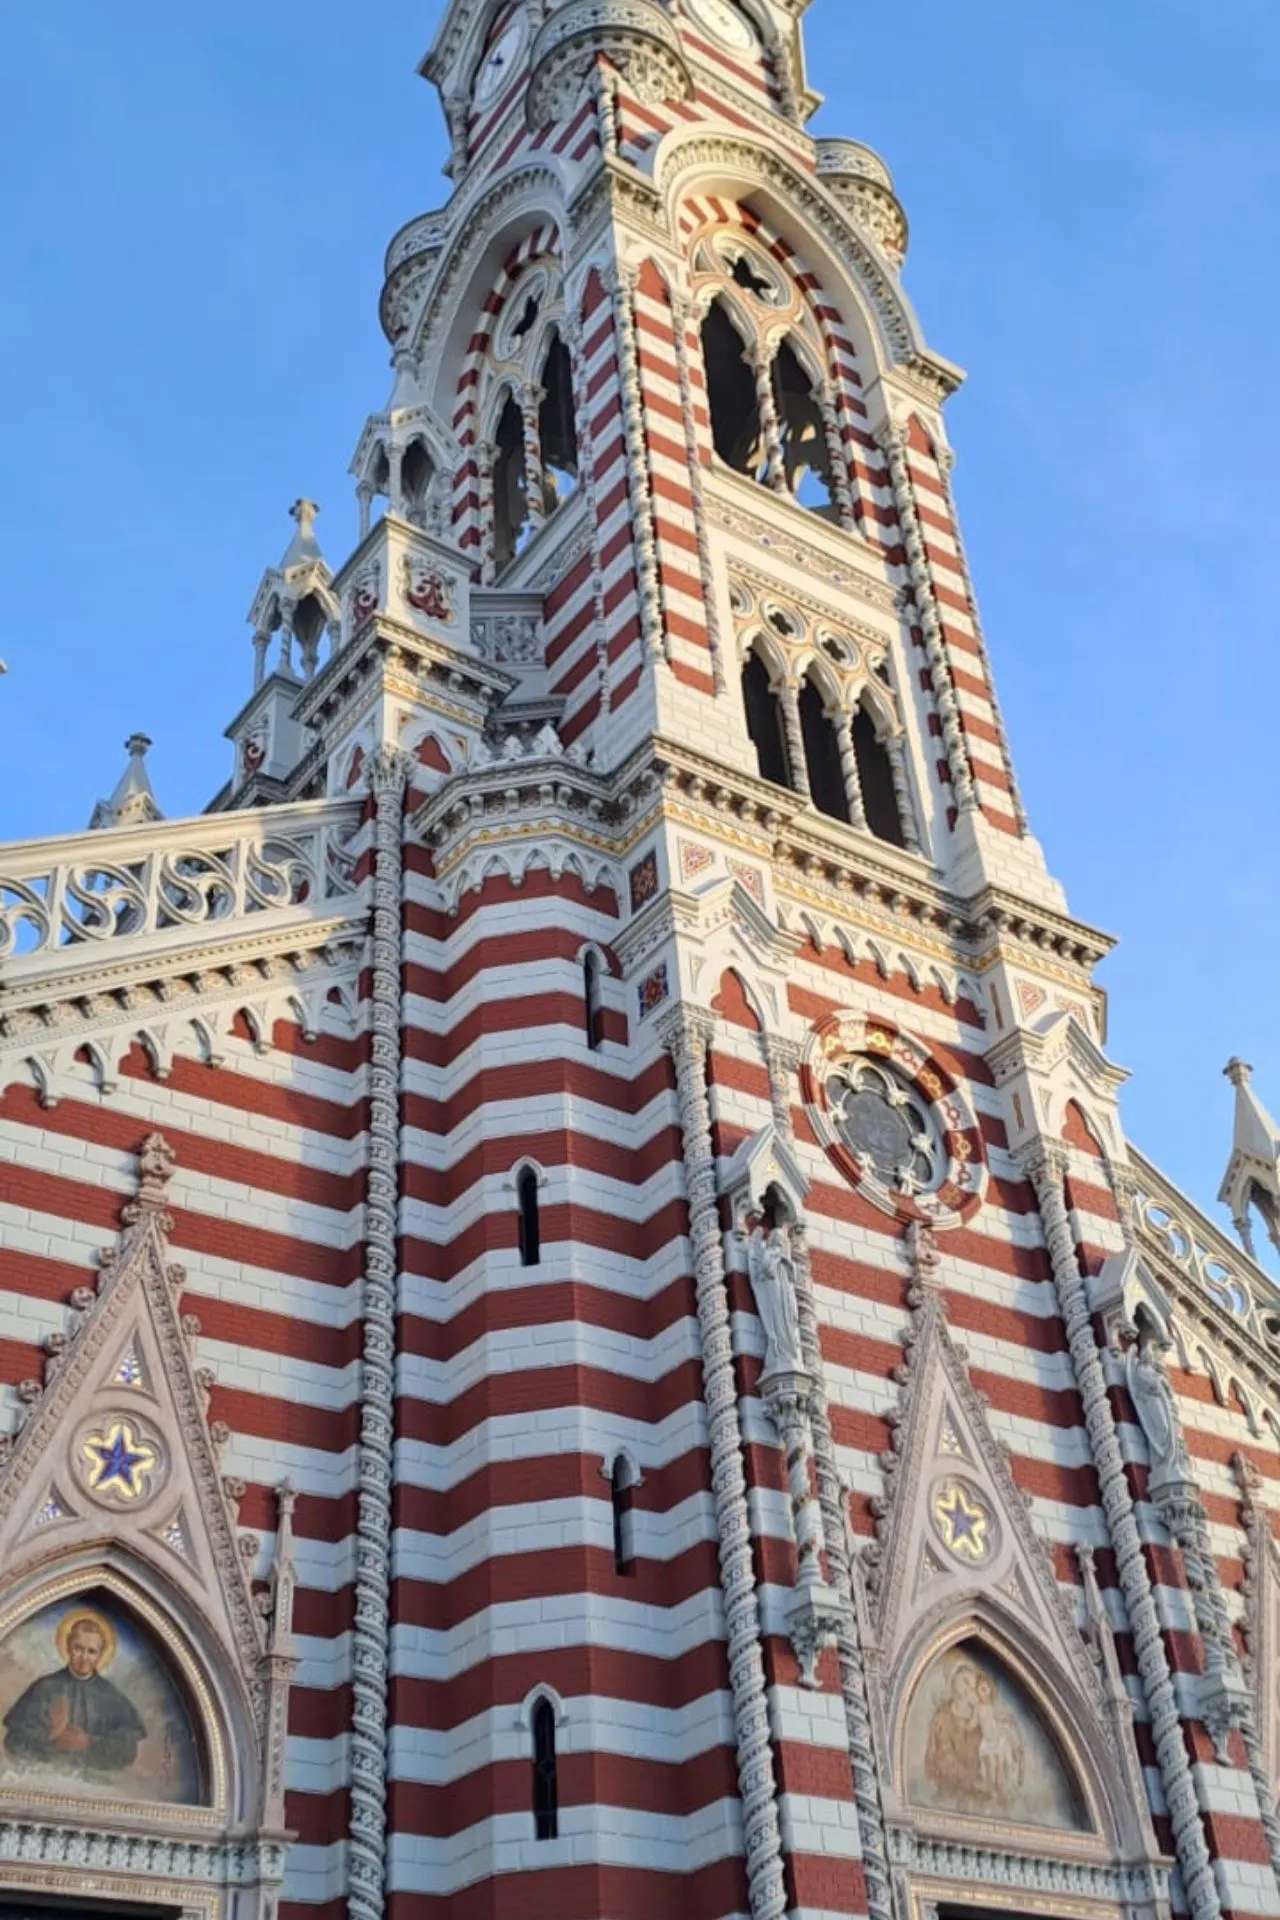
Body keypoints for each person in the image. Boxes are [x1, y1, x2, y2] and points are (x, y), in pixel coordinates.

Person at [4, 1612, 144, 1775]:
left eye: (91, 1651)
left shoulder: (112, 1697)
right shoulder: (44, 1688)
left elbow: (127, 1751)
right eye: (78, 1648)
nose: (84, 1657)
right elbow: (14, 1741)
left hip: (97, 1784)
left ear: (100, 1655)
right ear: (68, 1647)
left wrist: (88, 1743)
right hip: (44, 1777)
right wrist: (52, 1737)